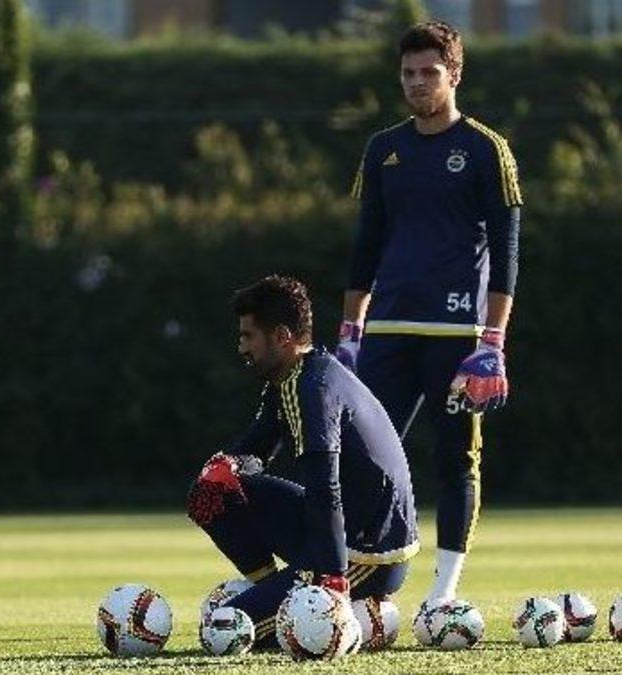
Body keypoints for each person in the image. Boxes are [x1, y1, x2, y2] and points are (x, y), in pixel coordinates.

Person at [336, 21, 522, 604]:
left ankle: (442, 596)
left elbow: (508, 251)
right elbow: (366, 244)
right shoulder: (382, 149)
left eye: (429, 72)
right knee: (360, 456)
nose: (417, 83)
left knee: (454, 459)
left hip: (457, 334)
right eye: (408, 73)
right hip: (387, 329)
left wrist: (493, 342)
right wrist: (350, 331)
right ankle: (360, 583)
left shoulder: (486, 149)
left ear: (454, 75)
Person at [187, 275, 419, 647]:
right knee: (210, 490)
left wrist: (332, 578)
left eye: (248, 336)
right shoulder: (289, 379)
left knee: (223, 633)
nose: (241, 346)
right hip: (339, 531)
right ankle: (274, 586)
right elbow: (256, 449)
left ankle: (324, 594)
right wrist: (228, 467)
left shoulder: (314, 388)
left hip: (368, 554)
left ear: (282, 336)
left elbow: (326, 487)